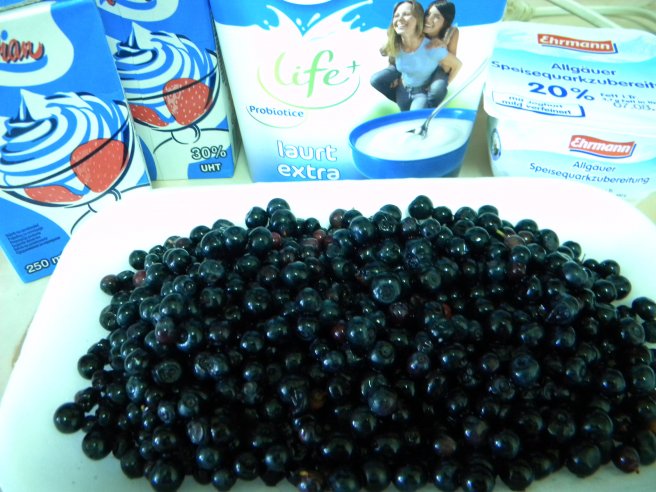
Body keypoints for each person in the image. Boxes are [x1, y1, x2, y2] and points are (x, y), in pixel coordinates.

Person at [370, 0, 461, 110]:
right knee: (378, 79)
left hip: (435, 67)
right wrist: (396, 75)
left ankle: (427, 107)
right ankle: (405, 98)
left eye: (436, 17)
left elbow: (450, 65)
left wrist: (443, 45)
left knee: (437, 88)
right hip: (410, 67)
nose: (429, 19)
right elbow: (396, 49)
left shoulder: (450, 33)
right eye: (428, 14)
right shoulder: (415, 27)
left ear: (445, 22)